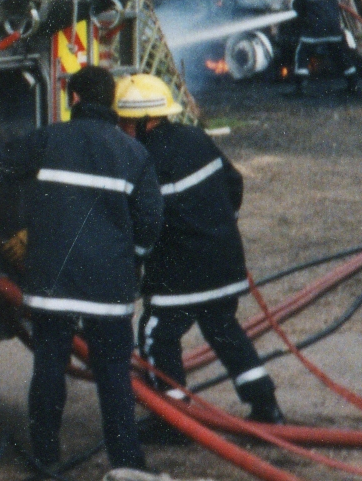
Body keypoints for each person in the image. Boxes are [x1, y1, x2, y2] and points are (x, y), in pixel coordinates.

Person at [0, 64, 163, 473]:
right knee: (114, 376)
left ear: (73, 98)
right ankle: (126, 463)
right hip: (109, 286)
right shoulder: (134, 153)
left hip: (52, 282)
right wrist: (133, 257)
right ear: (111, 101)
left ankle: (45, 457)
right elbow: (150, 219)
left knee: (48, 369)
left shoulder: (48, 139)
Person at [114, 74, 285, 436]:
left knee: (156, 335)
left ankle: (173, 419)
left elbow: (145, 221)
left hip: (180, 272)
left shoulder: (141, 158)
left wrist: (133, 260)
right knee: (224, 329)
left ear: (143, 122)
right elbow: (234, 183)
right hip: (224, 262)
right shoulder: (195, 137)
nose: (121, 129)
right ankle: (266, 405)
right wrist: (218, 225)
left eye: (124, 122)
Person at [289, 0, 359, 94]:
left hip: (314, 30)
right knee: (340, 55)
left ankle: (300, 87)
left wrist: (302, 22)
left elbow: (297, 7)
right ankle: (353, 84)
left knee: (302, 54)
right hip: (334, 28)